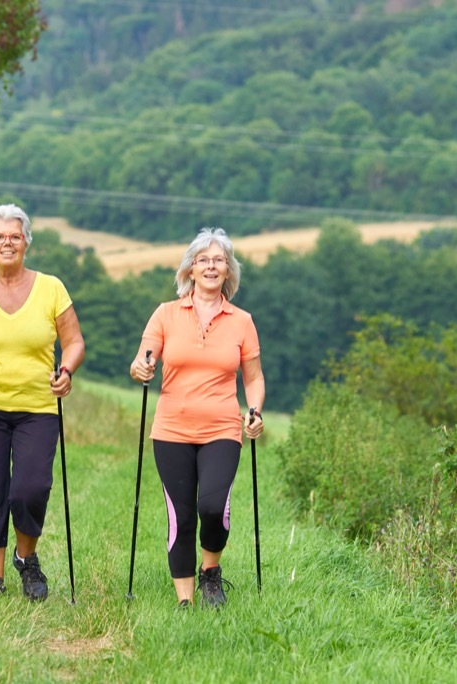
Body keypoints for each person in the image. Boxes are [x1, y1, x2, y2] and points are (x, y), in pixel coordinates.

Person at [0, 203, 85, 601]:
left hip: (37, 407)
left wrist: (67, 370)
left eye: (15, 236)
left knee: (31, 487)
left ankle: (26, 560)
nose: (7, 243)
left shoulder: (51, 288)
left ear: (26, 242)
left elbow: (73, 342)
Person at [129, 227, 264, 609]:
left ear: (228, 270)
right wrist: (141, 369)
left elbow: (253, 379)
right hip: (171, 429)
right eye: (203, 260)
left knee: (212, 506)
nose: (210, 266)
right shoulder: (166, 314)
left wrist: (254, 411)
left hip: (222, 428)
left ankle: (211, 571)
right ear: (189, 268)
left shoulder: (241, 321)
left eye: (218, 260)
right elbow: (143, 359)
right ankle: (186, 602)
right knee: (181, 515)